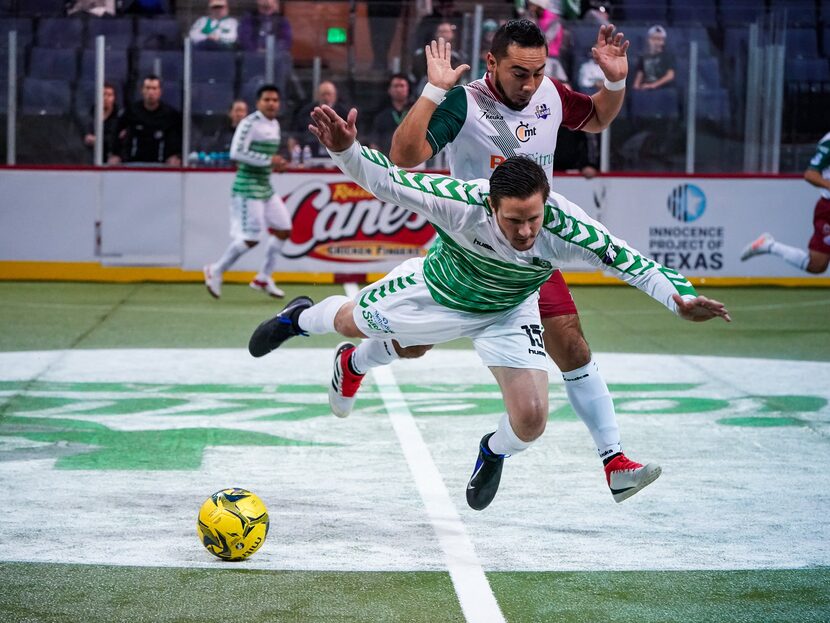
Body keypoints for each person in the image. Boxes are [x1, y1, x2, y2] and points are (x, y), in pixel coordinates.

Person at [248, 104, 731, 512]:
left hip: (508, 309)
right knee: (348, 321)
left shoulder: (564, 228)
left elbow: (631, 261)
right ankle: (300, 320)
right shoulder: (462, 203)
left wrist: (678, 298)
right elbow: (388, 181)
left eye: (534, 219)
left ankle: (492, 451)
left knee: (532, 419)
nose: (525, 232)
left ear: (546, 204)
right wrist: (345, 150)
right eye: (514, 221)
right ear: (492, 206)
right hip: (438, 290)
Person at [389, 21, 649, 500]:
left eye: (537, 72)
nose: (529, 85)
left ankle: (613, 460)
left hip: (529, 249)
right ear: (491, 63)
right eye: (518, 73)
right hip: (471, 252)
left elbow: (596, 118)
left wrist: (614, 81)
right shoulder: (464, 104)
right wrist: (431, 91)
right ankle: (359, 357)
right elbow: (404, 157)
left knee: (570, 343)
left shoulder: (547, 91)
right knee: (409, 345)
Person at [203, 84, 291, 299]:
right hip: (247, 186)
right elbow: (237, 153)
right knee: (251, 238)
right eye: (267, 100)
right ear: (258, 103)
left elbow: (265, 159)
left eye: (275, 100)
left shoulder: (275, 124)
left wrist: (275, 165)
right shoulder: (249, 123)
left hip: (265, 186)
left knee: (284, 229)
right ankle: (215, 270)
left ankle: (263, 277)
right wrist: (268, 161)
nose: (271, 104)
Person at [741, 131, 830, 274]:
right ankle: (769, 246)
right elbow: (811, 174)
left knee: (817, 266)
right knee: (816, 265)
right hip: (828, 208)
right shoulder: (828, 142)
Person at [119, 75, 182, 166]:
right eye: (147, 88)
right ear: (142, 90)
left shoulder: (170, 114)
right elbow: (116, 132)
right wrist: (115, 154)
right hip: (133, 163)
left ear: (160, 91)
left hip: (163, 164)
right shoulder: (131, 112)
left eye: (154, 88)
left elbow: (178, 138)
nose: (151, 92)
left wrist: (176, 156)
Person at [289, 80, 349, 160]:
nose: (326, 98)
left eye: (329, 94)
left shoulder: (344, 114)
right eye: (323, 94)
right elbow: (294, 136)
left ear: (335, 96)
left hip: (338, 157)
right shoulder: (305, 112)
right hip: (310, 156)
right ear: (317, 96)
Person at [368, 74, 411, 155]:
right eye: (395, 86)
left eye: (402, 86)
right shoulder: (381, 116)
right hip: (388, 161)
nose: (399, 89)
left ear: (408, 88)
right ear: (389, 90)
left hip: (413, 161)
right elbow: (374, 142)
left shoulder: (415, 112)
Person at [83, 82, 123, 164]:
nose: (106, 98)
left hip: (113, 163)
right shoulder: (89, 118)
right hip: (90, 162)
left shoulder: (120, 119)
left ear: (114, 98)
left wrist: (98, 140)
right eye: (103, 94)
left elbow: (120, 141)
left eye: (109, 95)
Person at [632, 25, 675, 91]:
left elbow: (670, 75)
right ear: (649, 40)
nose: (657, 42)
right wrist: (637, 88)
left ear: (663, 42)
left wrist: (653, 85)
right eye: (654, 39)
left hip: (664, 92)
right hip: (646, 92)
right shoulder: (643, 58)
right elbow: (638, 78)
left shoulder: (668, 56)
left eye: (660, 39)